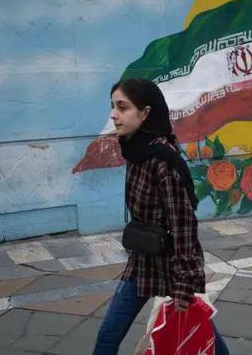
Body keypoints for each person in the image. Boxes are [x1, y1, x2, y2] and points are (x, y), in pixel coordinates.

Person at [93, 78, 230, 355]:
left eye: (122, 107)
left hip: (171, 264)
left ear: (145, 113)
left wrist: (184, 283)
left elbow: (183, 225)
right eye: (112, 106)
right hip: (143, 261)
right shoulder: (135, 150)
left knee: (200, 329)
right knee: (109, 334)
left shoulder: (162, 160)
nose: (113, 114)